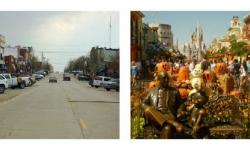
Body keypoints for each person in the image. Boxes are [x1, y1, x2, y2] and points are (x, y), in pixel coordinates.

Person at [141, 72, 184, 138]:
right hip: (155, 116)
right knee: (148, 109)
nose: (166, 80)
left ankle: (169, 122)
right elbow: (143, 103)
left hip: (169, 115)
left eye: (167, 78)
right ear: (159, 79)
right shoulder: (152, 91)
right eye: (164, 78)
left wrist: (179, 111)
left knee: (167, 129)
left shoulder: (174, 91)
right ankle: (172, 123)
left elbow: (181, 104)